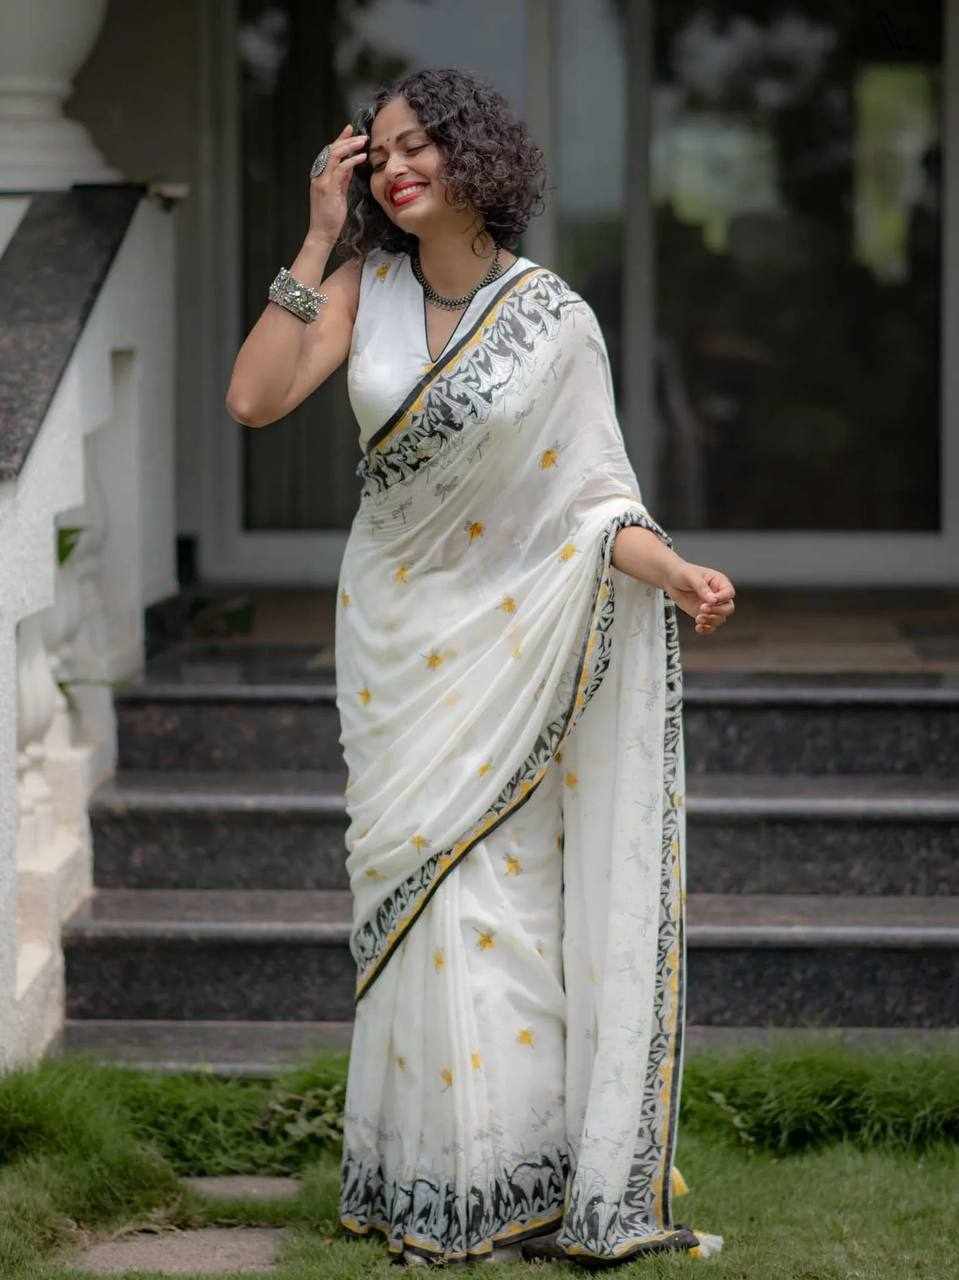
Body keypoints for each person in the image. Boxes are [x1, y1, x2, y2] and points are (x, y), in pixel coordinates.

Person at [226, 66, 733, 1269]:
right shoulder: (361, 287)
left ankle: (516, 1175)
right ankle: (423, 1176)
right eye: (381, 151)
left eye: (421, 145)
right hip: (394, 638)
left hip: (511, 640)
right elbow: (252, 398)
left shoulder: (552, 318)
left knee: (498, 897)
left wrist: (673, 570)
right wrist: (316, 234)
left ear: (474, 156)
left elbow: (594, 500)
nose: (398, 168)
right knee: (415, 888)